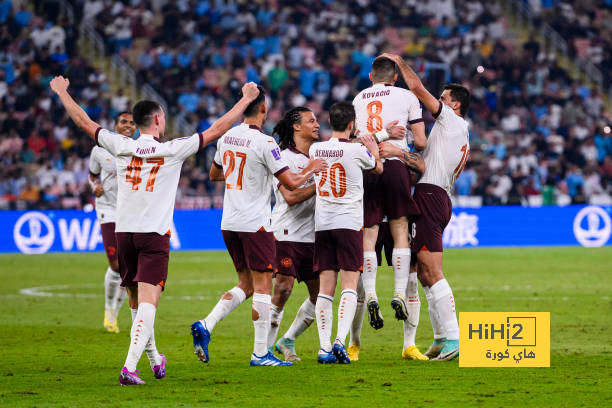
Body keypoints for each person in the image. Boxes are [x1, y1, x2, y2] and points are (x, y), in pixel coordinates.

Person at [50, 75, 262, 384]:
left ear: (136, 123)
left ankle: (153, 358)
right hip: (153, 235)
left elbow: (84, 121)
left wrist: (62, 92)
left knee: (136, 304)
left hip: (124, 233)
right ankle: (129, 368)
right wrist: (245, 100)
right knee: (149, 303)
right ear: (159, 120)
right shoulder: (173, 149)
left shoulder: (119, 145)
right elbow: (216, 130)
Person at [191, 87, 327, 367]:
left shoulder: (227, 137)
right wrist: (312, 170)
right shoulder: (266, 144)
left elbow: (215, 174)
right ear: (263, 110)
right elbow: (290, 184)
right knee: (265, 287)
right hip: (256, 224)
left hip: (229, 221)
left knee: (247, 284)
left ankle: (207, 323)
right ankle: (260, 353)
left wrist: (243, 175)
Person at [379, 53, 471, 361]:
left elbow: (417, 89)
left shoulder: (451, 120)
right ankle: (441, 337)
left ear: (454, 104)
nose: (439, 102)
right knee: (422, 272)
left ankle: (455, 338)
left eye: (444, 98)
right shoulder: (454, 134)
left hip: (431, 196)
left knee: (431, 269)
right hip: (437, 194)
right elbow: (424, 164)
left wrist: (399, 62)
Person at [350, 55, 427, 361]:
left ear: (371, 76)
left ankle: (370, 295)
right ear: (395, 77)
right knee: (400, 233)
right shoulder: (407, 96)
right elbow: (419, 141)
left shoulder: (358, 98)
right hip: (395, 164)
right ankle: (397, 295)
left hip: (366, 167)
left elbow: (356, 136)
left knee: (367, 236)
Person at [310, 102, 383, 364]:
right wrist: (374, 149)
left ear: (330, 122)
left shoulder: (315, 148)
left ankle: (323, 347)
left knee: (325, 290)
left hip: (323, 224)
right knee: (350, 285)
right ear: (351, 125)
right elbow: (378, 168)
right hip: (349, 223)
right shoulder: (356, 150)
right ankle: (341, 341)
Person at [267, 107, 320, 362]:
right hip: (285, 232)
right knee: (283, 288)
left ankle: (287, 339)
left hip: (312, 235)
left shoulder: (318, 155)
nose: (317, 124)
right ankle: (263, 350)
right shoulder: (282, 157)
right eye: (311, 120)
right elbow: (289, 197)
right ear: (296, 126)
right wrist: (316, 179)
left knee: (319, 295)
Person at [89, 111, 136, 334]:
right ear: (115, 125)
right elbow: (92, 175)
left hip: (130, 211)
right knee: (116, 264)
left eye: (132, 123)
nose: (128, 126)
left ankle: (114, 315)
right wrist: (94, 187)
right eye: (124, 122)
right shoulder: (99, 151)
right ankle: (109, 309)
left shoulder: (139, 150)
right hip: (108, 209)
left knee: (127, 266)